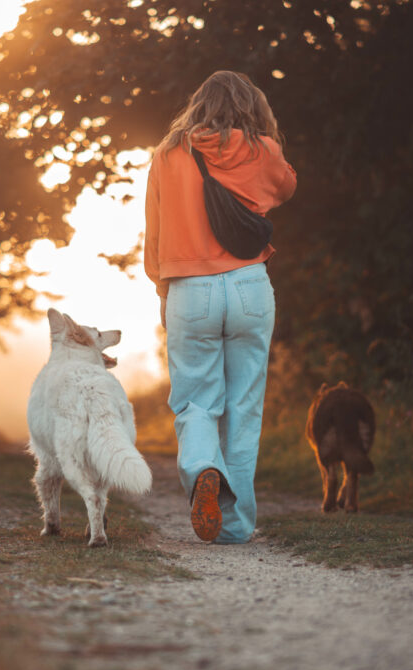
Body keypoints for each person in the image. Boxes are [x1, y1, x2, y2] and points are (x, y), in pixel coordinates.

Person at [144, 70, 296, 544]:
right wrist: (262, 144)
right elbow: (287, 187)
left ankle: (204, 467)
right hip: (250, 285)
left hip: (191, 288)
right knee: (243, 408)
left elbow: (154, 234)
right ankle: (235, 527)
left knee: (195, 401)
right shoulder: (262, 150)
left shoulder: (167, 155)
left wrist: (163, 290)